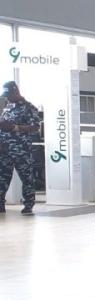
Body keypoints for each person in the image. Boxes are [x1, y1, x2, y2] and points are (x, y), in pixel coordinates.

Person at [0, 82, 40, 215]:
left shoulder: (29, 108)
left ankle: (28, 205)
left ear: (16, 91)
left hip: (21, 150)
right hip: (5, 150)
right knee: (2, 178)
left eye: (9, 95)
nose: (7, 98)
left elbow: (35, 127)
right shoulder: (8, 107)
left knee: (26, 178)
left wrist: (15, 127)